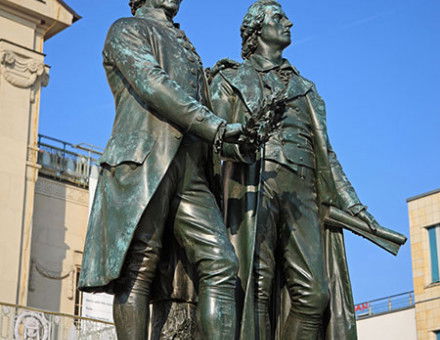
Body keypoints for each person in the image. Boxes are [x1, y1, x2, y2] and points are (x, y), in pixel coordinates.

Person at [210, 1, 380, 339]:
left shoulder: (306, 88)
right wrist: (241, 142)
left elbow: (327, 156)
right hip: (254, 182)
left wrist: (356, 206)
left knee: (315, 294)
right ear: (256, 30)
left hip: (304, 191)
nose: (289, 22)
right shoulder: (229, 78)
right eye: (278, 17)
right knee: (256, 283)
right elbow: (212, 137)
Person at [78, 0, 247, 338]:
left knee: (222, 264)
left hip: (191, 169)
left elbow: (205, 108)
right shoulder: (127, 29)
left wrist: (234, 142)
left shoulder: (187, 47)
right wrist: (213, 125)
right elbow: (154, 85)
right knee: (138, 269)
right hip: (143, 161)